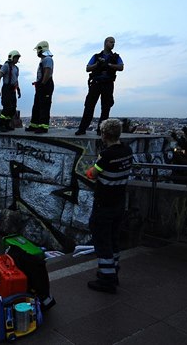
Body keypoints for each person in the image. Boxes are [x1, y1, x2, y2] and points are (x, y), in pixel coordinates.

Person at [85, 119, 133, 294]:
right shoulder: (127, 151)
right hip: (119, 203)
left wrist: (88, 170)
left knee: (102, 240)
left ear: (104, 134)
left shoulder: (107, 155)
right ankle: (114, 271)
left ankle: (106, 279)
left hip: (104, 204)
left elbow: (92, 173)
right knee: (113, 239)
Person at [76, 37, 124, 136]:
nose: (113, 44)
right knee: (89, 106)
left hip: (108, 84)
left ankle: (101, 130)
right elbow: (88, 68)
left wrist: (109, 65)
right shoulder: (96, 56)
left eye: (114, 42)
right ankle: (82, 129)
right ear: (106, 43)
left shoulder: (115, 57)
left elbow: (121, 67)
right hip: (96, 83)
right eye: (111, 42)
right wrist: (98, 64)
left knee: (106, 108)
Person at [25, 41, 54, 134]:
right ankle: (34, 125)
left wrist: (42, 84)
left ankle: (43, 127)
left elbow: (47, 72)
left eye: (38, 50)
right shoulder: (44, 60)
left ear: (42, 49)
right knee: (37, 105)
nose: (37, 52)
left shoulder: (47, 59)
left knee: (44, 106)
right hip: (41, 85)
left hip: (45, 85)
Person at [0, 50, 21, 132]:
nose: (17, 59)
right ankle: (1, 125)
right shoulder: (6, 66)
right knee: (6, 107)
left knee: (13, 109)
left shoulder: (16, 68)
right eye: (16, 57)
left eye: (18, 58)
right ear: (12, 57)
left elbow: (16, 80)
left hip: (13, 89)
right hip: (6, 88)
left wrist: (18, 89)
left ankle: (7, 124)